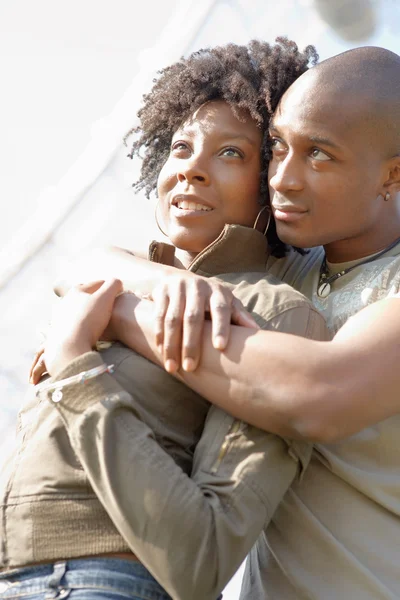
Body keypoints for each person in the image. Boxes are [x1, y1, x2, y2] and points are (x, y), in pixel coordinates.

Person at [0, 39, 327, 600]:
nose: (192, 171)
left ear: (272, 183)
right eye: (181, 147)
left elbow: (203, 558)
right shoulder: (110, 282)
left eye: (231, 153)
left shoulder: (275, 314)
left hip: (97, 584)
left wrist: (76, 370)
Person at [89, 45, 400, 599]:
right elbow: (91, 264)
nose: (282, 178)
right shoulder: (286, 271)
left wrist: (119, 312)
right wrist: (172, 286)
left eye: (320, 155)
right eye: (278, 146)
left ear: (393, 174)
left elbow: (316, 394)